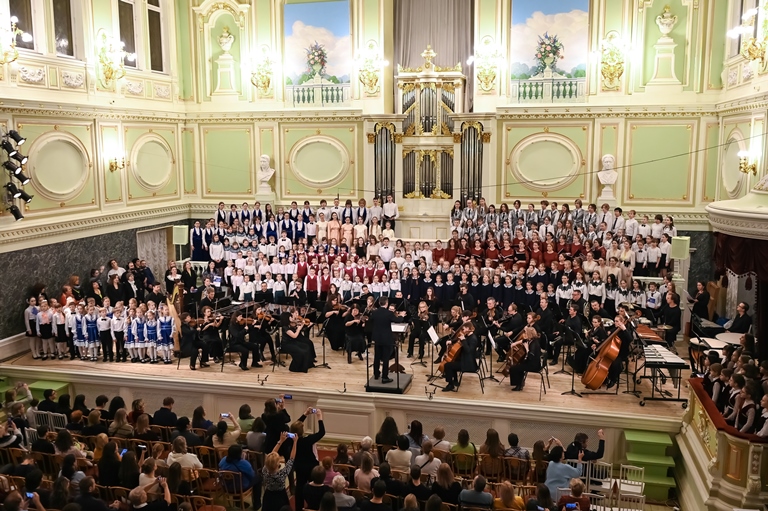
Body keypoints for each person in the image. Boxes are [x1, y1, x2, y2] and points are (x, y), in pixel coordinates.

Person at [291, 407, 326, 511]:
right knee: (315, 486)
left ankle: (299, 508)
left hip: (299, 467)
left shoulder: (291, 440)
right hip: (311, 468)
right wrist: (319, 417)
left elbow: (294, 428)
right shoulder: (308, 440)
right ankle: (314, 505)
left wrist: (305, 414)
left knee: (300, 487)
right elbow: (322, 432)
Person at [370, 296, 406, 383]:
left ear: (379, 303)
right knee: (386, 358)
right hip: (386, 338)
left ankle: (376, 374)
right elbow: (397, 320)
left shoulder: (375, 312)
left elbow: (371, 322)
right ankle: (385, 377)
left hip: (377, 338)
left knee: (377, 356)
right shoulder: (389, 313)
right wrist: (402, 315)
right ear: (386, 303)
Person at [262, 432, 298, 511]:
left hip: (268, 496)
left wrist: (280, 442)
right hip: (280, 496)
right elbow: (291, 459)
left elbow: (271, 455)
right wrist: (295, 442)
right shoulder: (282, 474)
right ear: (278, 464)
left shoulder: (264, 470)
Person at [442, 322, 479, 392]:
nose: (462, 330)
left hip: (468, 364)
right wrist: (451, 341)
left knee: (447, 365)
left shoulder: (473, 339)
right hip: (464, 360)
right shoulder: (468, 336)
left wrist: (463, 340)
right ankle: (455, 381)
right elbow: (458, 340)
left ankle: (450, 385)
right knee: (453, 361)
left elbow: (469, 351)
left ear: (468, 328)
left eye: (464, 329)